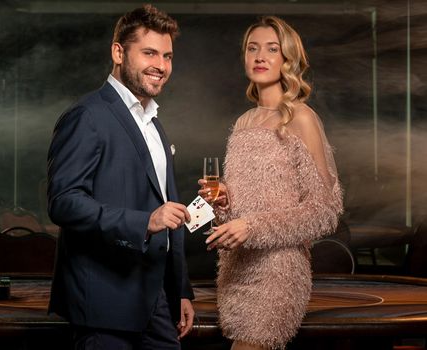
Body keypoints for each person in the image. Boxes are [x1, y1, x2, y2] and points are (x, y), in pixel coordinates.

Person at [47, 5, 195, 349]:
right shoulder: (87, 116)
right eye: (149, 53)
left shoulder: (153, 123)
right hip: (104, 302)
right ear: (118, 52)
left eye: (168, 56)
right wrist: (145, 222)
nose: (161, 65)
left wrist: (180, 290)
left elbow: (166, 213)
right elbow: (63, 202)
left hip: (154, 301)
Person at [198, 16, 343, 350]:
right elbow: (237, 215)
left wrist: (251, 226)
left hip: (278, 274)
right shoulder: (243, 122)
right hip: (235, 273)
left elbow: (325, 211)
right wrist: (221, 206)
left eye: (271, 49)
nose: (260, 56)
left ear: (287, 59)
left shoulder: (300, 118)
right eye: (252, 48)